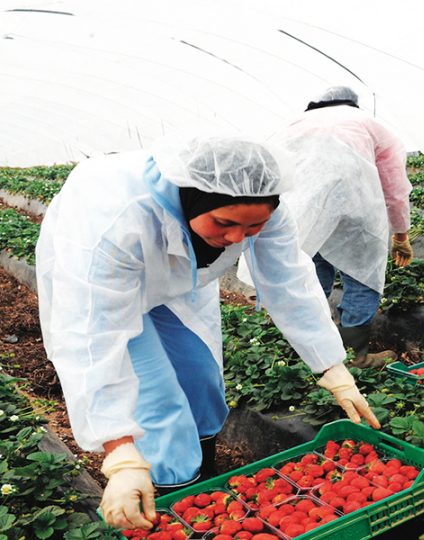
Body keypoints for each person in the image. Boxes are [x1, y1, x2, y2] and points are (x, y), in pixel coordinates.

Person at [35, 136, 380, 530]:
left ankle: (202, 474)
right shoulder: (118, 217)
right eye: (225, 223)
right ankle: (172, 500)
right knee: (158, 400)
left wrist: (331, 366)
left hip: (181, 283)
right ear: (193, 201)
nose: (237, 238)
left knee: (201, 378)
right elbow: (93, 335)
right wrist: (120, 452)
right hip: (108, 287)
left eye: (254, 226)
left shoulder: (264, 209)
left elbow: (288, 282)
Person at [240, 86, 413, 368]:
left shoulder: (292, 125)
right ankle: (354, 355)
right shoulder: (371, 126)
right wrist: (401, 234)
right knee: (362, 276)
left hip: (305, 209)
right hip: (357, 210)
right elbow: (394, 188)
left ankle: (305, 350)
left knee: (310, 271)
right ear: (353, 105)